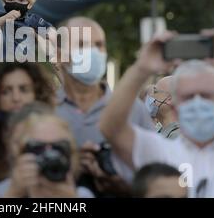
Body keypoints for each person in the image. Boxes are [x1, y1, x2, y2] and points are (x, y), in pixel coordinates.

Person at [99, 28, 214, 197]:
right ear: (175, 109)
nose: (197, 103)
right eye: (189, 97)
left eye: (206, 96)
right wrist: (141, 68)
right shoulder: (156, 150)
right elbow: (110, 127)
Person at [54, 16, 153, 197]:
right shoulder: (44, 110)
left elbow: (157, 176)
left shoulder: (132, 109)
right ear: (59, 55)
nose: (92, 52)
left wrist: (124, 187)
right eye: (81, 45)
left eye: (99, 44)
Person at [0, 62, 56, 196]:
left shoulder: (54, 142)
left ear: (37, 94)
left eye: (24, 89)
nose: (16, 98)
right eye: (6, 91)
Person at [0, 103, 93, 198]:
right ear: (20, 151)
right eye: (39, 148)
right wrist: (13, 194)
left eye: (58, 147)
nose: (50, 155)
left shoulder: (82, 195)